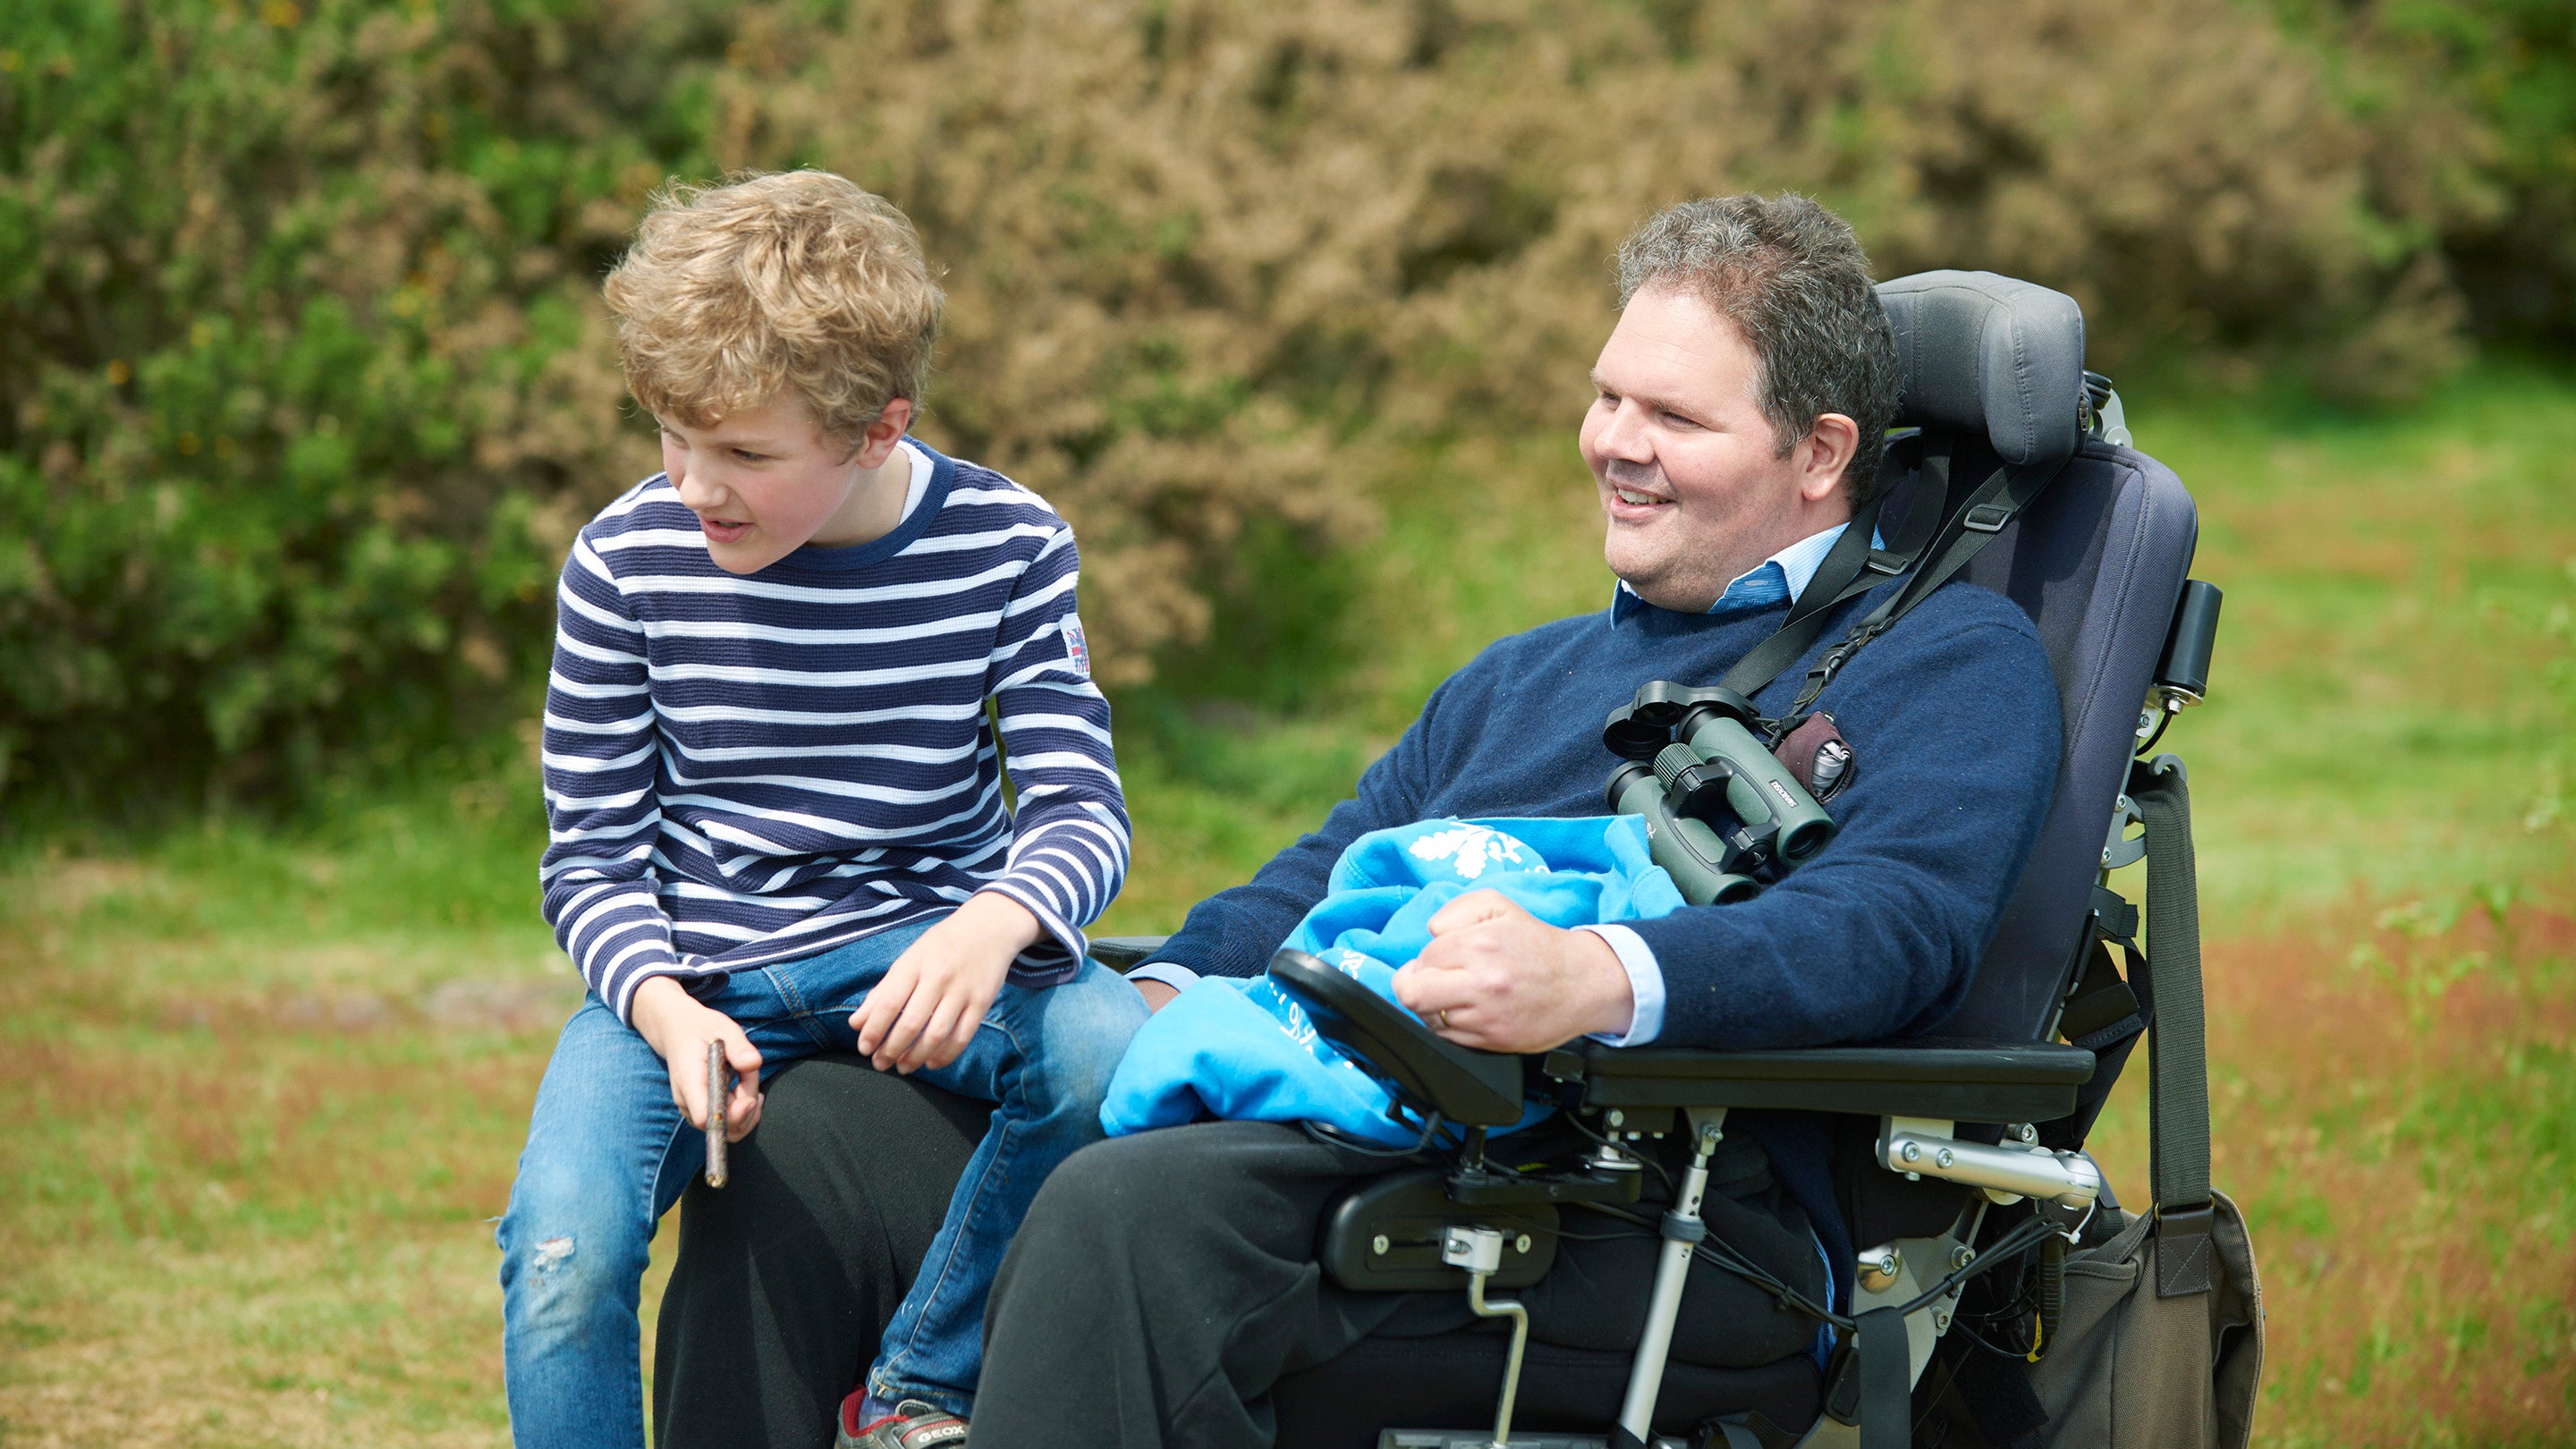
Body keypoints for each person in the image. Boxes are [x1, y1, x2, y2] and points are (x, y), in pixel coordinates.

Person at [649, 192, 2065, 1449]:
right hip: (1350, 1106)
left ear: (1822, 452)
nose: (1613, 447)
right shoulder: (1529, 675)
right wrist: (1146, 991)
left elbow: (1895, 928)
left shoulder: (1945, 661)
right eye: (1607, 397)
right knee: (814, 1149)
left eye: (1674, 419)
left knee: (1133, 1211)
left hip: (1650, 1203)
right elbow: (1318, 881)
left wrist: (1599, 980)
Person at [495, 170, 1148, 1449]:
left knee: (1110, 1054)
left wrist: (992, 925)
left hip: (920, 955)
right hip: (694, 978)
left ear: (876, 430)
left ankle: (922, 1383)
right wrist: (664, 1009)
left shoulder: (1009, 545)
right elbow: (590, 858)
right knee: (562, 1253)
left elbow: (1081, 810)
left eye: (744, 454)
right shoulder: (623, 561)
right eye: (671, 438)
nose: (695, 485)